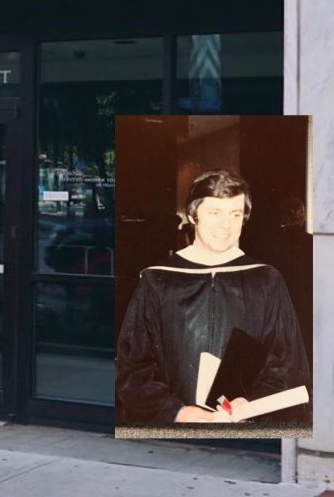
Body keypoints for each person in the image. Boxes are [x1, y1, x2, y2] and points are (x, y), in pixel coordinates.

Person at [116, 169, 311, 427]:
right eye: (214, 213)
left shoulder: (265, 281)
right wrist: (174, 410)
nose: (225, 225)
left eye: (235, 214)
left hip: (243, 427)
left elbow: (287, 364)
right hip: (172, 430)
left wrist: (253, 402)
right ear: (192, 215)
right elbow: (132, 365)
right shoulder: (157, 280)